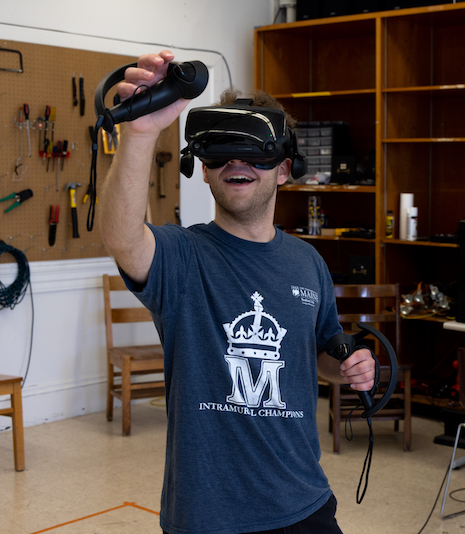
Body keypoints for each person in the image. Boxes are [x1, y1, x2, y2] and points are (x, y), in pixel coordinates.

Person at [99, 50, 375, 534]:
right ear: (202, 169)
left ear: (284, 170)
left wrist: (351, 365)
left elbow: (320, 357)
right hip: (211, 515)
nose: (236, 163)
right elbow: (123, 237)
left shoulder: (309, 264)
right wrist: (140, 133)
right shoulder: (182, 258)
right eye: (220, 152)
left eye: (254, 152)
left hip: (304, 502)